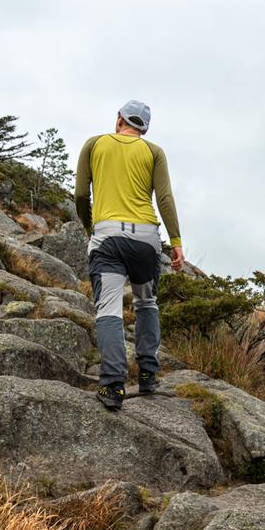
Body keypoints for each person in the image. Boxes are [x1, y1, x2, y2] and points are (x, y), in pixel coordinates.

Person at [74, 99, 185, 410]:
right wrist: (175, 241)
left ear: (119, 119)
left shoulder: (94, 144)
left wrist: (90, 227)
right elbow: (164, 197)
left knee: (108, 309)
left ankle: (112, 386)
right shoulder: (153, 152)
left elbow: (82, 194)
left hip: (107, 237)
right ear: (144, 128)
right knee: (146, 302)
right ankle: (148, 374)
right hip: (147, 239)